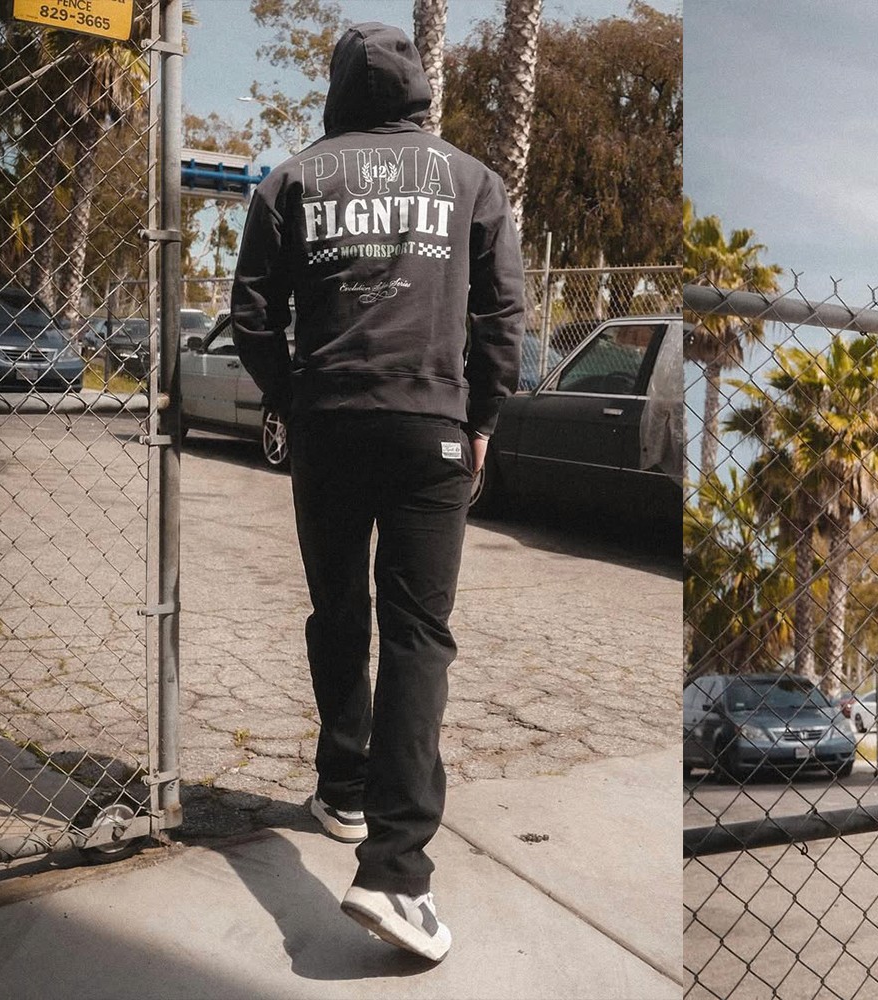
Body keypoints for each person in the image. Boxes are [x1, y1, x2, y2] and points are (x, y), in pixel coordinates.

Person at [231, 22, 524, 962]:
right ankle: (396, 874)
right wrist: (479, 422)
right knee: (416, 635)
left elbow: (249, 317)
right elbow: (504, 316)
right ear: (418, 92)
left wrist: (290, 397)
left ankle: (344, 790)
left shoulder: (289, 181)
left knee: (337, 611)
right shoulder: (474, 181)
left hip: (328, 423)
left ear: (340, 91)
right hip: (430, 428)